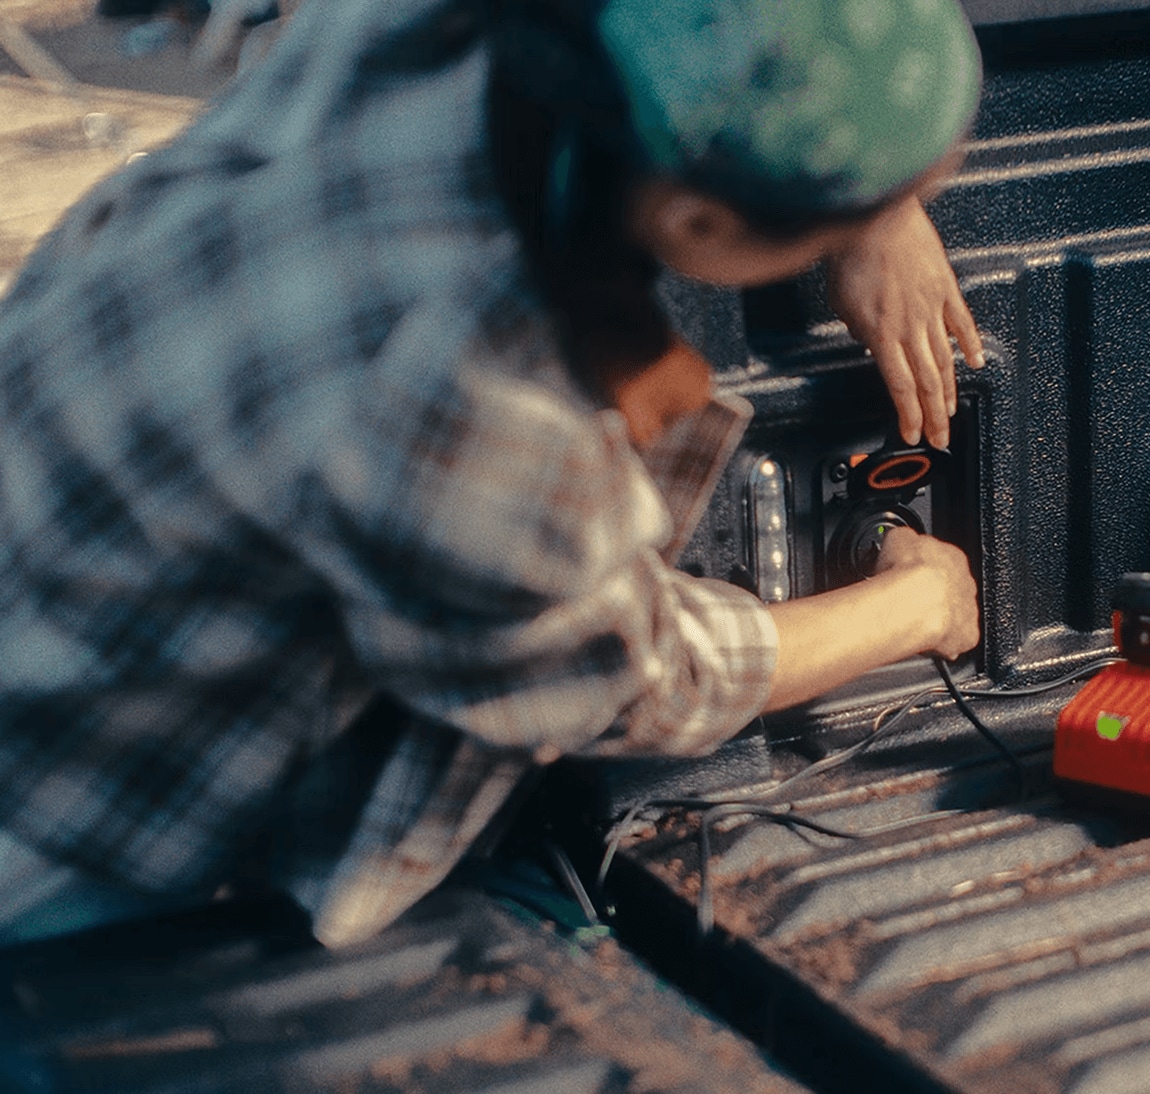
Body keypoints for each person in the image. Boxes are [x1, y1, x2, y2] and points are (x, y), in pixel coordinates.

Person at [0, 0, 987, 947]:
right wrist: (917, 604)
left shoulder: (448, 27)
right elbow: (638, 678)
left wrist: (869, 213)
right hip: (69, 780)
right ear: (697, 229)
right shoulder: (475, 391)